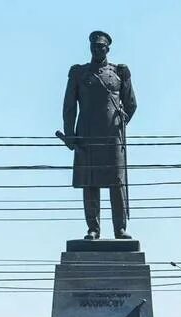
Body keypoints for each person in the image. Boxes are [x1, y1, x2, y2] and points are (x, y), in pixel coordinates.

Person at [61, 30, 137, 240]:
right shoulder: (79, 73)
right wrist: (70, 135)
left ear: (107, 49)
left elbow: (131, 104)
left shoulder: (119, 73)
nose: (97, 50)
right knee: (90, 183)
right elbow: (69, 106)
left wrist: (123, 120)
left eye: (100, 47)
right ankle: (93, 228)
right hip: (87, 135)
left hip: (112, 135)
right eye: (94, 47)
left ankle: (119, 229)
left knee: (116, 183)